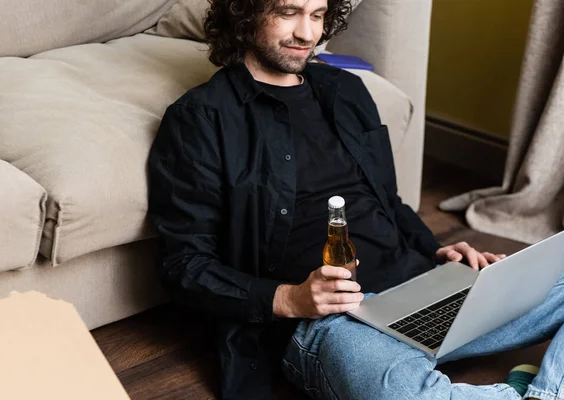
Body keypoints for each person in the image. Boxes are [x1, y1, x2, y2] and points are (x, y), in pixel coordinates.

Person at [147, 0, 564, 399]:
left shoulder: (346, 90)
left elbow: (387, 201)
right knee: (398, 392)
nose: (306, 32)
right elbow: (184, 264)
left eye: (318, 14)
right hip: (336, 320)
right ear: (245, 14)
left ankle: (541, 393)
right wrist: (288, 299)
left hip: (425, 286)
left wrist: (437, 251)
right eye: (288, 13)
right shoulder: (200, 118)